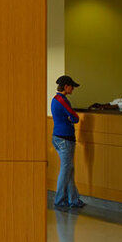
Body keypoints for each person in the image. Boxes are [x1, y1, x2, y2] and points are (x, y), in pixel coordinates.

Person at [51, 75, 84, 209]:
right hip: (65, 138)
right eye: (72, 87)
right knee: (66, 170)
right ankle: (59, 200)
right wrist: (72, 119)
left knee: (69, 169)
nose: (73, 89)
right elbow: (75, 117)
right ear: (66, 87)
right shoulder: (62, 100)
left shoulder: (55, 99)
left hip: (58, 137)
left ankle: (73, 199)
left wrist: (70, 118)